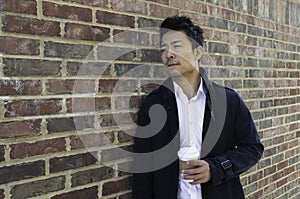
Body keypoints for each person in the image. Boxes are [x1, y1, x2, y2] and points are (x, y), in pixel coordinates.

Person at [132, 15, 264, 199]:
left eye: (177, 46)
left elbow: (252, 148)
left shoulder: (228, 101)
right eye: (164, 49)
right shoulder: (154, 104)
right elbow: (143, 168)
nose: (168, 54)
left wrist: (216, 168)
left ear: (197, 52)